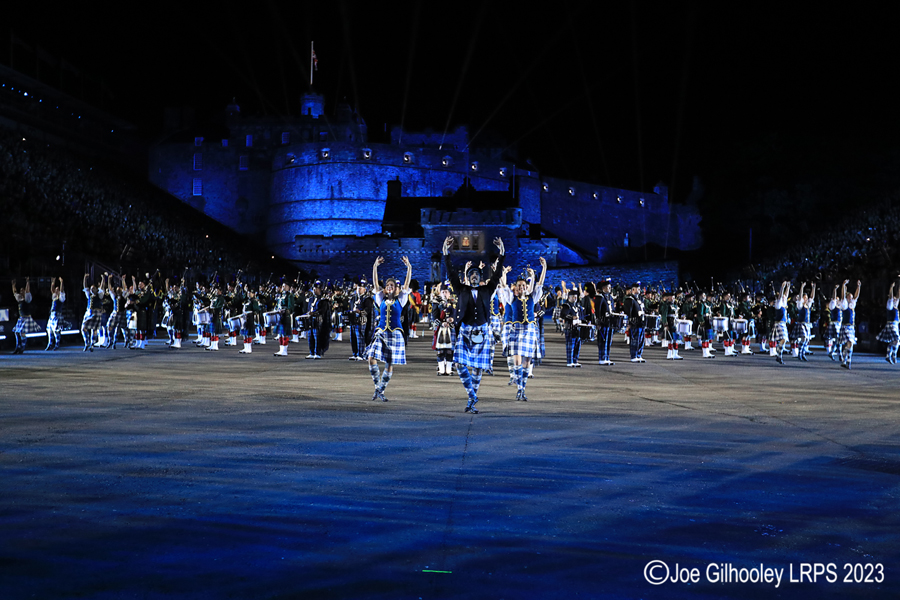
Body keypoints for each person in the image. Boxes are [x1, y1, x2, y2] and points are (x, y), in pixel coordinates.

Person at [443, 235, 506, 413]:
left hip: (482, 331)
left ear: (480, 277)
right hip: (465, 331)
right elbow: (451, 273)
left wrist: (502, 253)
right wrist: (446, 252)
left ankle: (472, 400)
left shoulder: (487, 289)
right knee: (459, 364)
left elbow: (498, 273)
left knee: (478, 368)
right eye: (471, 274)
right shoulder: (461, 289)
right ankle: (472, 395)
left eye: (476, 274)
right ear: (468, 277)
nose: (473, 276)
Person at [365, 256, 413, 401]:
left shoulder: (402, 299)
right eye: (388, 286)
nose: (390, 287)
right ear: (385, 289)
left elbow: (407, 283)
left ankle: (381, 389)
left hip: (395, 333)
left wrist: (409, 268)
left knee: (389, 363)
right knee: (371, 358)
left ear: (396, 289)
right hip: (381, 332)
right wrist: (375, 267)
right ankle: (377, 387)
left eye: (392, 285)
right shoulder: (380, 298)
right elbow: (375, 283)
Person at [500, 258, 548, 400]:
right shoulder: (511, 298)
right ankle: (519, 388)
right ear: (516, 288)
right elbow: (503, 286)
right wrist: (504, 273)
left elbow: (540, 284)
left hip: (529, 331)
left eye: (523, 286)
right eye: (519, 286)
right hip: (516, 331)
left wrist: (544, 268)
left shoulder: (533, 297)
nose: (521, 288)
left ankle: (523, 389)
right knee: (517, 362)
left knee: (527, 363)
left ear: (527, 287)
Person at [11, 277, 41, 354]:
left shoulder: (28, 298)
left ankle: (22, 347)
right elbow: (14, 292)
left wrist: (28, 282)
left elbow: (28, 290)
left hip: (26, 318)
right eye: (20, 291)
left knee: (22, 332)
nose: (21, 292)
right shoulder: (19, 298)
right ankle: (18, 346)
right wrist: (13, 285)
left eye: (22, 290)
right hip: (21, 318)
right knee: (16, 332)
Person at [81, 273, 107, 352]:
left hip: (96, 313)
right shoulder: (89, 295)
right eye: (91, 288)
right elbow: (85, 287)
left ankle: (91, 344)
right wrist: (85, 278)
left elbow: (102, 287)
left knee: (94, 329)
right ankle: (87, 343)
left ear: (96, 289)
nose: (92, 290)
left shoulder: (99, 295)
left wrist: (103, 278)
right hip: (89, 312)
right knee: (83, 328)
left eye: (93, 288)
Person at [876, 280, 900, 364]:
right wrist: (891, 288)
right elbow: (891, 296)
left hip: (895, 325)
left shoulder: (895, 305)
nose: (894, 298)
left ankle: (889, 355)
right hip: (891, 324)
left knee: (894, 341)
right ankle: (892, 355)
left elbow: (898, 296)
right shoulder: (889, 304)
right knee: (896, 340)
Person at [839, 279, 861, 370]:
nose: (851, 298)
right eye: (849, 297)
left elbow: (856, 296)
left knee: (850, 344)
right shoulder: (844, 304)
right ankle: (846, 360)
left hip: (851, 327)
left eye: (851, 297)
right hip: (845, 326)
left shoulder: (852, 304)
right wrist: (843, 285)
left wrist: (858, 286)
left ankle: (847, 360)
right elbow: (843, 296)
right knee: (848, 343)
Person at [561, 287, 586, 367]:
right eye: (573, 297)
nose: (575, 298)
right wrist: (572, 317)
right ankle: (569, 361)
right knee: (570, 345)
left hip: (578, 327)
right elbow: (563, 315)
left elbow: (582, 315)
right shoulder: (566, 305)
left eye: (576, 297)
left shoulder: (578, 306)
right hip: (570, 327)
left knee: (577, 345)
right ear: (569, 298)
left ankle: (575, 360)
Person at [595, 279, 616, 365]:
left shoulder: (609, 297)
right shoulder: (600, 297)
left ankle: (607, 357)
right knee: (603, 340)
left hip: (609, 322)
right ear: (603, 288)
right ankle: (602, 358)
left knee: (608, 340)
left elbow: (612, 308)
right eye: (608, 287)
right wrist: (598, 322)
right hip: (603, 322)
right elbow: (598, 310)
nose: (610, 288)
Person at [624, 283, 647, 363]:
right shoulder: (629, 299)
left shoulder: (639, 299)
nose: (639, 290)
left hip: (641, 322)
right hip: (634, 322)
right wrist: (628, 323)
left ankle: (639, 355)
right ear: (633, 290)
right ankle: (633, 356)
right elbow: (628, 312)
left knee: (641, 340)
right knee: (634, 340)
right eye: (637, 289)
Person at [771, 281, 791, 364]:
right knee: (783, 339)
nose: (784, 297)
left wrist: (788, 287)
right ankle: (778, 354)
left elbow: (786, 295)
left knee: (784, 340)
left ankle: (779, 355)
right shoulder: (778, 304)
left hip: (783, 324)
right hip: (779, 323)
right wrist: (782, 287)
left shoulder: (784, 304)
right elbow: (780, 297)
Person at [45, 277, 68, 351]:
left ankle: (57, 344)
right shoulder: (54, 296)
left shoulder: (61, 297)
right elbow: (52, 290)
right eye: (56, 289)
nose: (56, 290)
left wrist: (61, 282)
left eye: (57, 289)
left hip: (57, 315)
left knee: (56, 330)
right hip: (52, 314)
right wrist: (53, 282)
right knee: (49, 329)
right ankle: (50, 344)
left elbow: (61, 290)